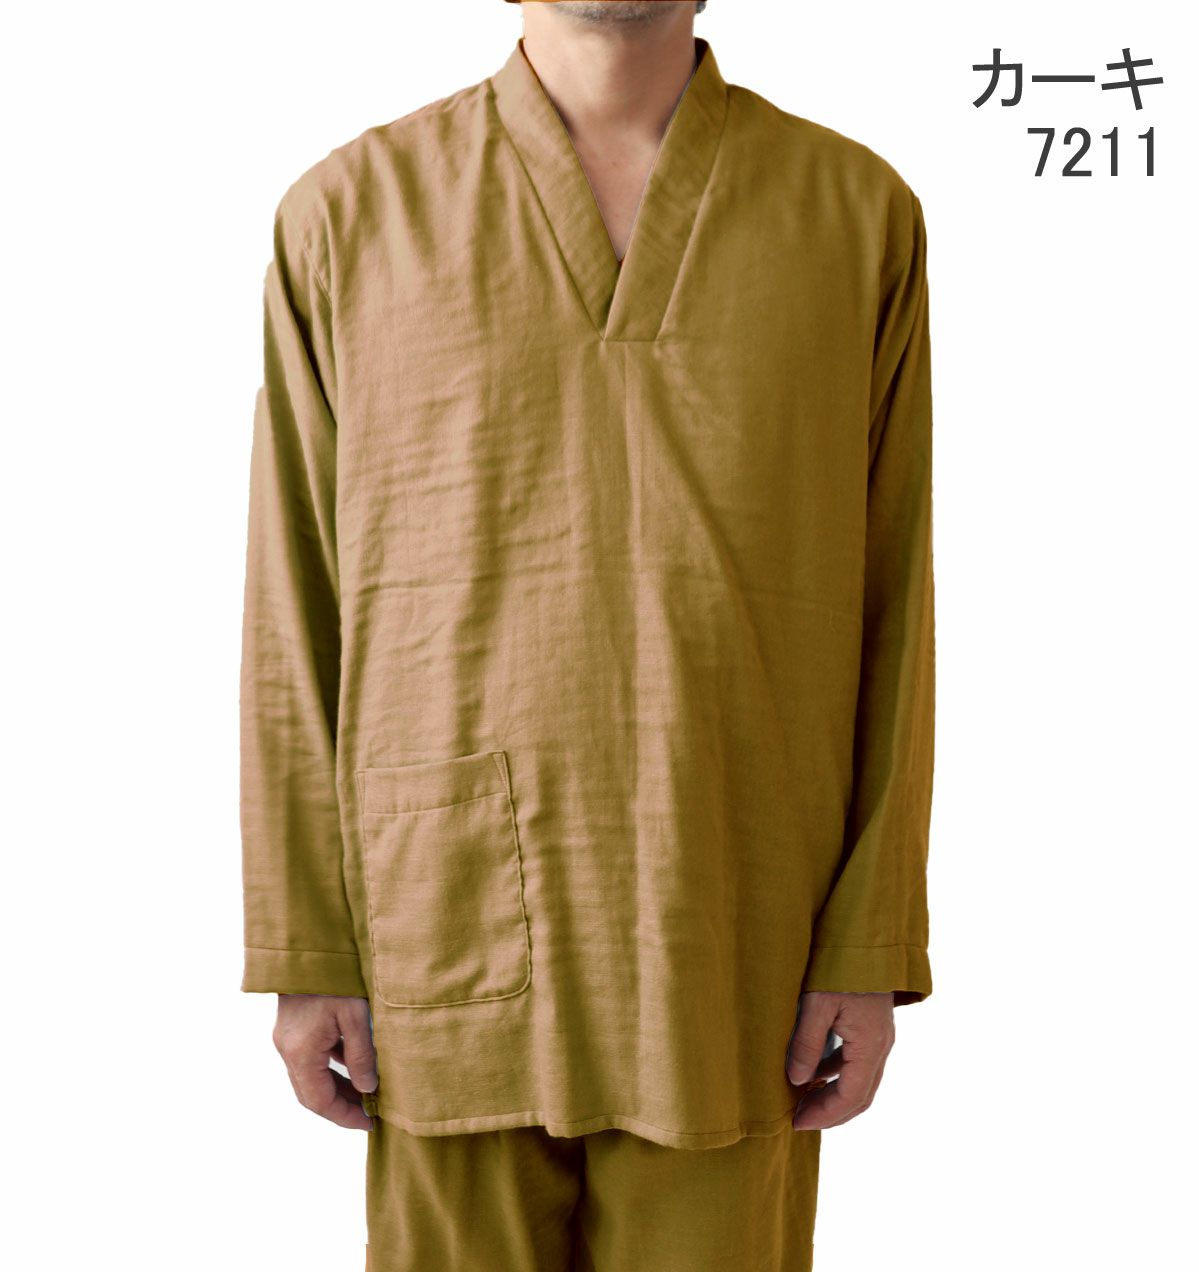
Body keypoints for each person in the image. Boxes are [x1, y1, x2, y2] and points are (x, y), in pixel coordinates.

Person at [238, 1, 937, 1267]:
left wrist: (869, 936)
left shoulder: (853, 215)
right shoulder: (347, 217)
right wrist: (306, 938)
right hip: (437, 931)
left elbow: (895, 594)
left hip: (737, 930)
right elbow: (295, 599)